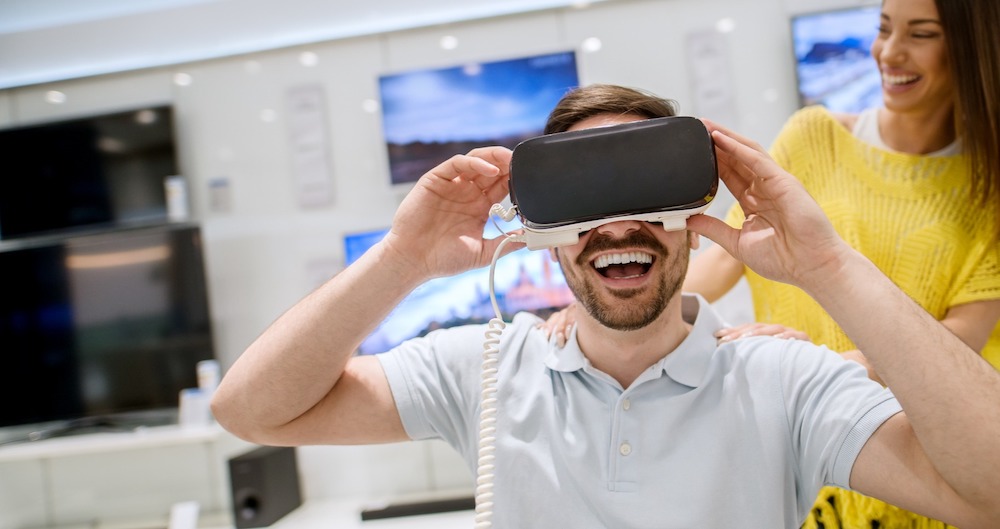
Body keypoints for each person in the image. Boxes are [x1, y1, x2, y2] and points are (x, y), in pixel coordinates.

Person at [210, 84, 1000, 528]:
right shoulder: (485, 365)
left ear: (693, 217)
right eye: (588, 202)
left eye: (644, 193)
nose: (618, 226)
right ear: (548, 233)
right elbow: (253, 411)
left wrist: (827, 267)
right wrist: (401, 259)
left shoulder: (783, 378)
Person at [546, 1, 1000, 526]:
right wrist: (597, 305)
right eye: (882, 28)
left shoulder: (987, 188)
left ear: (972, 50)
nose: (889, 51)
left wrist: (825, 372)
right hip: (811, 437)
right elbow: (726, 258)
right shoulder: (814, 137)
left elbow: (964, 332)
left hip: (920, 433)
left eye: (920, 34)